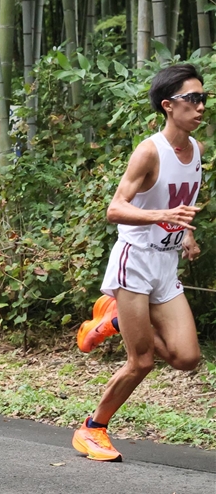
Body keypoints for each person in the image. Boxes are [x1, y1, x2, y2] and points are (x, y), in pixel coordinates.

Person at [73, 64, 205, 462]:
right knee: (141, 361)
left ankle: (111, 320)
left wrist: (186, 233)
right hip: (136, 261)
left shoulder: (195, 148)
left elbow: (180, 203)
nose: (201, 106)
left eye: (204, 98)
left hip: (166, 264)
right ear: (168, 106)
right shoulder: (150, 151)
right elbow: (116, 209)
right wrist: (165, 216)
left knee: (186, 358)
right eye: (193, 99)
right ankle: (92, 429)